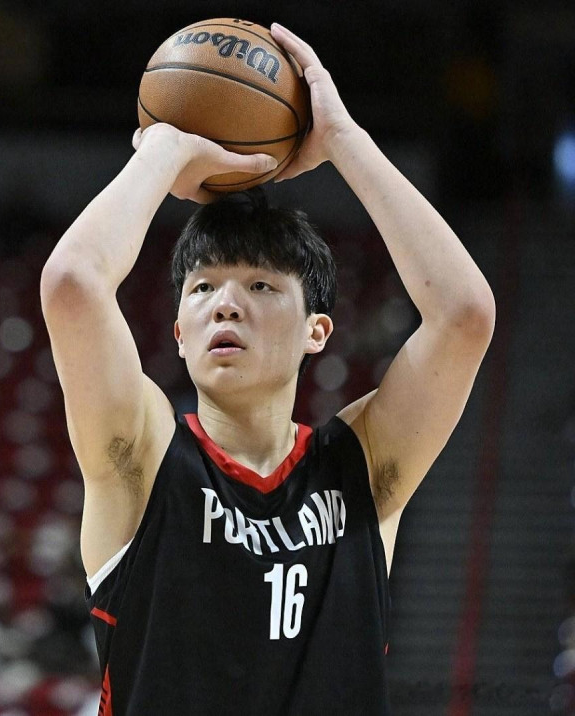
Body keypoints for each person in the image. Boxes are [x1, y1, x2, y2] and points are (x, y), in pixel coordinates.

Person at [40, 22, 495, 716]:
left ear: (317, 331)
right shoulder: (144, 457)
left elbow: (464, 314)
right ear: (179, 333)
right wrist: (164, 147)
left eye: (260, 286)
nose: (226, 304)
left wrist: (343, 139)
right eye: (203, 288)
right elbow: (74, 283)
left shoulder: (360, 467)